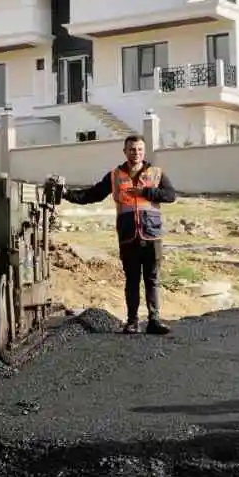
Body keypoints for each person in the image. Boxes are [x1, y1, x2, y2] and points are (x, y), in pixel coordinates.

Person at [60, 134, 177, 335]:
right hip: (128, 236)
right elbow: (92, 195)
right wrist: (66, 194)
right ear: (125, 151)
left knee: (152, 279)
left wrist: (147, 192)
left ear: (144, 151)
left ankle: (154, 321)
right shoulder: (115, 176)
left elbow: (170, 196)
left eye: (139, 149)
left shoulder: (156, 173)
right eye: (132, 149)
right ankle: (132, 322)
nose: (136, 153)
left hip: (152, 235)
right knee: (132, 279)